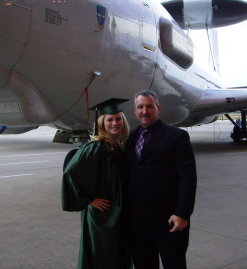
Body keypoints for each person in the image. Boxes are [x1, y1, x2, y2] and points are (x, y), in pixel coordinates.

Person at [125, 90, 197, 269]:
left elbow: (187, 178)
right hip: (139, 223)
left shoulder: (176, 136)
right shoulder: (130, 137)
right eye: (140, 107)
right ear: (134, 110)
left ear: (158, 108)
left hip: (169, 220)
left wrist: (182, 213)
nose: (145, 111)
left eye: (149, 106)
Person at [62, 98, 132, 269]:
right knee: (103, 257)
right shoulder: (95, 148)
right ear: (102, 123)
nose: (114, 123)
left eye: (118, 118)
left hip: (119, 214)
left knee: (118, 255)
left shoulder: (119, 148)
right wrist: (89, 200)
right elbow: (70, 174)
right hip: (104, 217)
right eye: (110, 119)